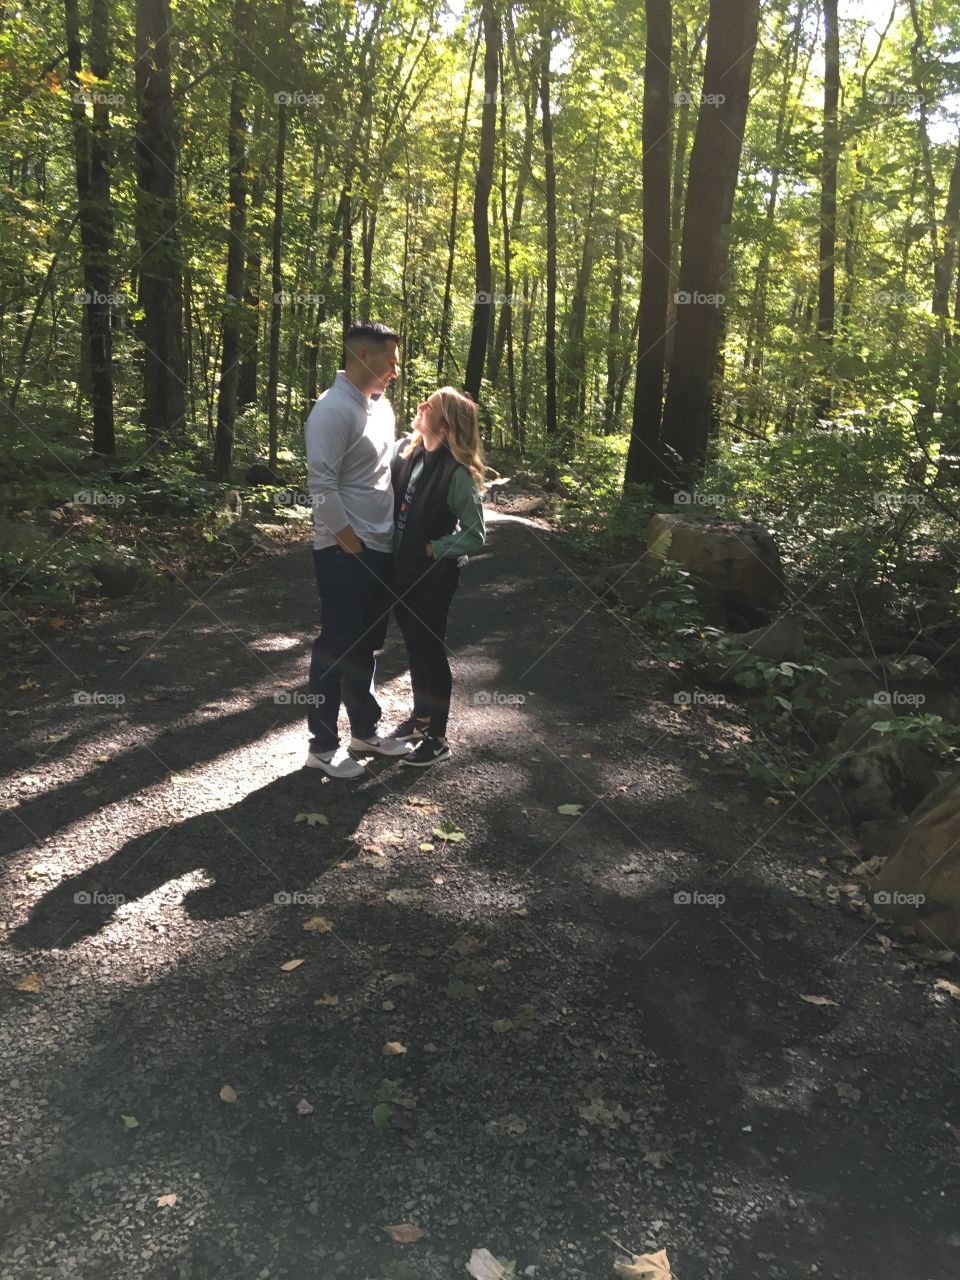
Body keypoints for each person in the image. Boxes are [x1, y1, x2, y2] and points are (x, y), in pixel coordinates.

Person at [302, 322, 413, 779]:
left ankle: (364, 731)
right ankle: (322, 746)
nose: (395, 371)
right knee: (334, 645)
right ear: (362, 355)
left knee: (366, 646)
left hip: (381, 545)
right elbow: (322, 486)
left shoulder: (380, 408)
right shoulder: (331, 411)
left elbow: (384, 468)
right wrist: (351, 544)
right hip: (346, 550)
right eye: (390, 362)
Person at [387, 386, 486, 767]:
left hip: (434, 575)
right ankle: (421, 717)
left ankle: (438, 737)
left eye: (429, 405)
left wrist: (432, 548)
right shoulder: (410, 455)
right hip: (403, 572)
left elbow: (475, 535)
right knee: (414, 646)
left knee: (430, 650)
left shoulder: (455, 472)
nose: (419, 405)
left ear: (445, 424)